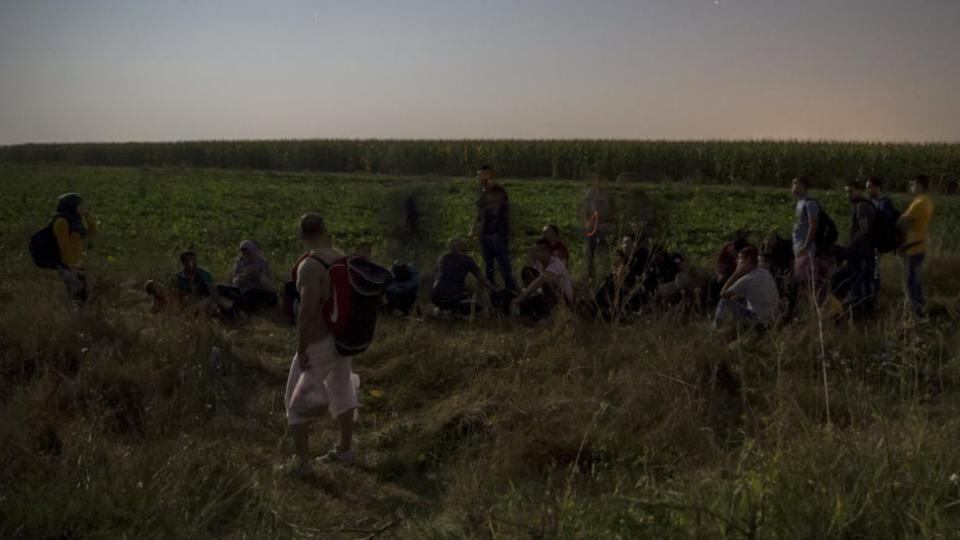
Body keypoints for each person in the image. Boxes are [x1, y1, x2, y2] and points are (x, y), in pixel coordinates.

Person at [283, 213, 359, 475]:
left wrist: (301, 346)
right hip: (342, 338)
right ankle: (345, 450)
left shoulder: (310, 266)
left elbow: (307, 310)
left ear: (302, 235)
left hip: (318, 340)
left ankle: (302, 463)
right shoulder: (340, 257)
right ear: (325, 230)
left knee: (296, 399)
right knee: (342, 388)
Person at [469, 165, 516, 292]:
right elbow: (478, 213)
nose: (480, 178)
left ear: (490, 175)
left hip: (498, 233)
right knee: (488, 265)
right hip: (485, 234)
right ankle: (492, 292)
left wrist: (509, 232)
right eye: (479, 175)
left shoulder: (499, 192)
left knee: (503, 264)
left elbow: (507, 212)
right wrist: (473, 229)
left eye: (483, 174)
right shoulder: (481, 193)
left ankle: (510, 290)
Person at [834, 181, 877, 318]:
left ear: (859, 191)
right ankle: (867, 311)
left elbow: (863, 229)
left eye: (851, 191)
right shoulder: (869, 205)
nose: (848, 194)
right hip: (868, 249)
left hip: (861, 250)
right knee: (866, 281)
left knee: (858, 281)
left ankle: (859, 312)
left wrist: (851, 244)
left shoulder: (860, 206)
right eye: (847, 191)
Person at [511, 239, 574, 326]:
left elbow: (541, 280)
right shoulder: (540, 264)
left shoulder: (556, 264)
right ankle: (534, 320)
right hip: (547, 298)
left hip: (563, 302)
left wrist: (521, 297)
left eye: (537, 251)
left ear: (545, 251)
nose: (535, 254)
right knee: (527, 272)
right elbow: (532, 279)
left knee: (547, 282)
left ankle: (551, 318)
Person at [714, 246, 779, 329]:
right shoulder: (765, 272)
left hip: (757, 319)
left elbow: (723, 294)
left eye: (740, 258)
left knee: (723, 302)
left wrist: (735, 274)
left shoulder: (747, 279)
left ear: (747, 260)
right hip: (772, 318)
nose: (737, 261)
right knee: (740, 299)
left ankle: (716, 328)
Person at [897, 174, 934, 317]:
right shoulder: (927, 201)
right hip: (919, 245)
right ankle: (920, 307)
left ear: (920, 185)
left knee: (910, 281)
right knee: (915, 280)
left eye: (913, 184)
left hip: (913, 246)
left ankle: (916, 311)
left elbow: (901, 222)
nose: (911, 186)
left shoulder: (919, 203)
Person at [52, 193, 97, 304]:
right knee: (78, 293)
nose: (84, 208)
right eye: (81, 205)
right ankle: (75, 318)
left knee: (84, 294)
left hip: (78, 263)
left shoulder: (76, 221)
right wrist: (71, 266)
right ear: (71, 206)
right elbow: (62, 246)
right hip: (66, 265)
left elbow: (92, 236)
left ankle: (78, 317)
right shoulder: (61, 222)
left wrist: (90, 220)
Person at [791, 176, 831, 299]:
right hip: (799, 246)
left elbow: (813, 226)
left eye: (795, 184)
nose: (792, 187)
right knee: (800, 279)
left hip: (806, 248)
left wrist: (806, 246)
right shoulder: (799, 203)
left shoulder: (810, 203)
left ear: (803, 186)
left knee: (806, 280)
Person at [431, 238, 492, 315]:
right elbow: (481, 277)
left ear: (449, 248)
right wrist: (491, 287)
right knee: (478, 305)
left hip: (435, 296)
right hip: (452, 297)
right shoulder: (466, 259)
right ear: (461, 247)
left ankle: (442, 310)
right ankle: (452, 311)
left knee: (461, 295)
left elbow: (435, 277)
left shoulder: (442, 258)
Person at [216, 240, 278, 314]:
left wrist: (259, 276)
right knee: (219, 287)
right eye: (243, 251)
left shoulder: (263, 263)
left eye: (247, 251)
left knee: (251, 292)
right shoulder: (240, 262)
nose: (245, 254)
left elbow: (271, 286)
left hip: (259, 291)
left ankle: (236, 310)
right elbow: (235, 282)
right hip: (242, 291)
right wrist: (243, 276)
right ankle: (238, 307)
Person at [583, 171, 617, 279]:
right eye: (595, 180)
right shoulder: (589, 194)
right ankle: (590, 273)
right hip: (592, 226)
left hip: (604, 227)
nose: (597, 182)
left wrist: (603, 221)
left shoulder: (608, 195)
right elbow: (586, 211)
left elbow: (612, 212)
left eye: (600, 180)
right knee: (590, 250)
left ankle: (606, 274)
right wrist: (589, 222)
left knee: (604, 250)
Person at [866, 177, 897, 291]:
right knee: (871, 267)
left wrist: (878, 243)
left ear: (877, 187)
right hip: (870, 240)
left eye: (869, 187)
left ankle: (876, 292)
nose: (867, 190)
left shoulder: (885, 203)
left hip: (878, 241)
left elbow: (885, 224)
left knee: (875, 269)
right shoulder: (871, 202)